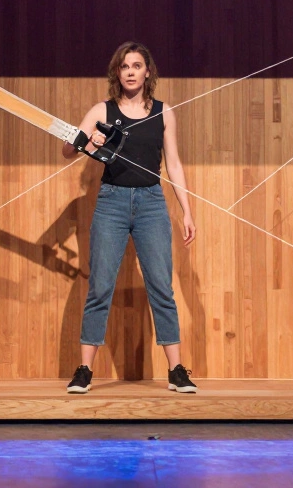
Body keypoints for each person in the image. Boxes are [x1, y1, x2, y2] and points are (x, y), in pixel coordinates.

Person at [62, 41, 198, 394]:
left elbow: (174, 164)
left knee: (161, 287)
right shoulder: (102, 110)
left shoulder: (164, 114)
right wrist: (85, 140)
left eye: (137, 66)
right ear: (118, 74)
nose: (131, 72)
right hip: (112, 203)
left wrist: (187, 210)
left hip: (152, 203)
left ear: (147, 72)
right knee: (101, 286)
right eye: (125, 67)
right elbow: (66, 149)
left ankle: (176, 371)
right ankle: (84, 371)